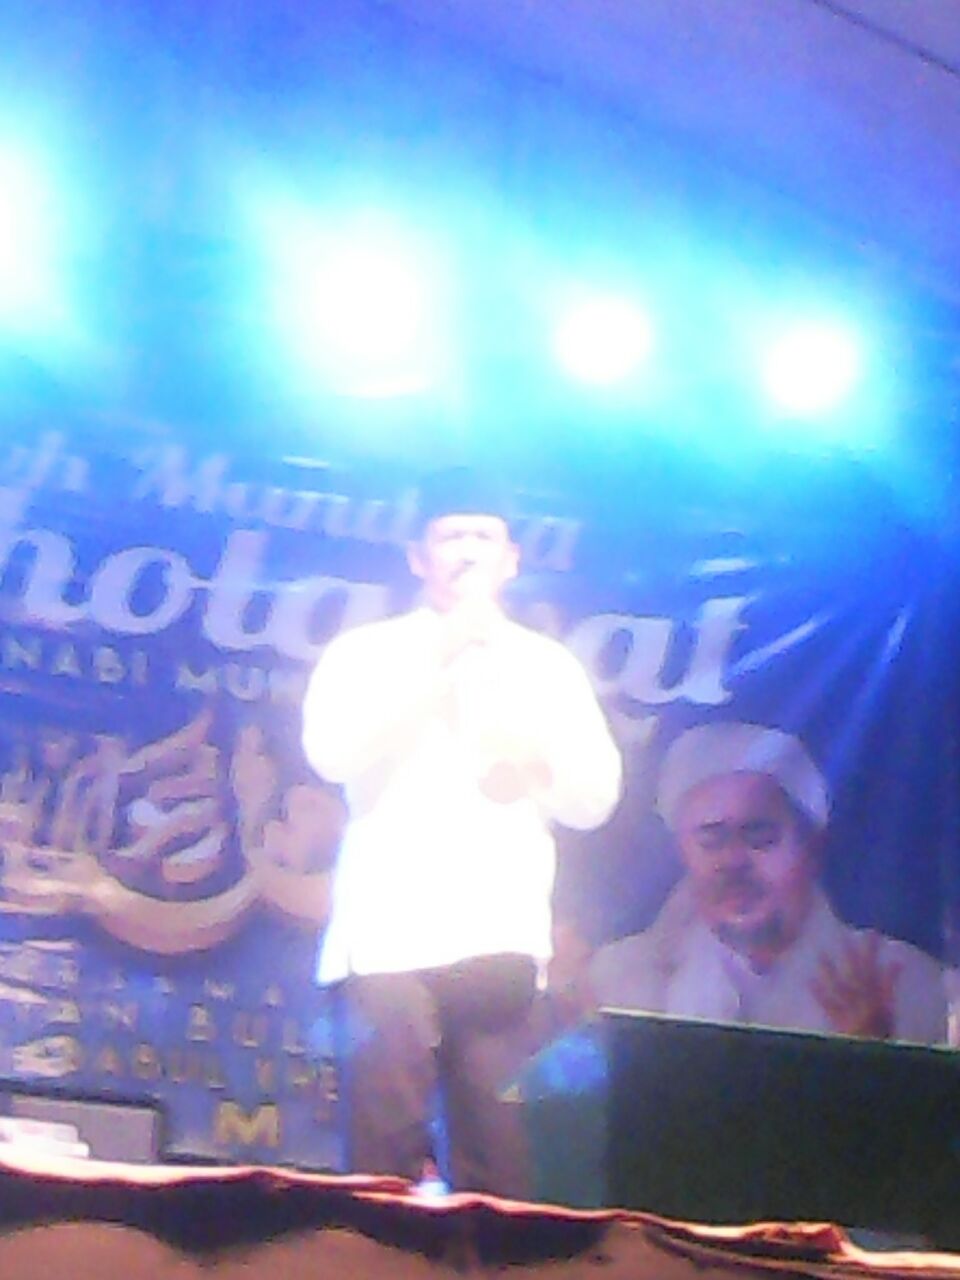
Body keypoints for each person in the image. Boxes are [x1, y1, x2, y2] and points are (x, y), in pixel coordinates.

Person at [301, 467, 622, 1196]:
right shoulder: (368, 652)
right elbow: (332, 754)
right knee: (383, 1157)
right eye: (451, 536)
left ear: (512, 559)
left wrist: (534, 760)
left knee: (503, 1164)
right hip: (388, 937)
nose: (468, 551)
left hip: (499, 938)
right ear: (419, 558)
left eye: (483, 536)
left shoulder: (546, 667)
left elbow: (595, 800)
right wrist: (442, 653)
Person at [592, 721, 946, 1043]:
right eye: (711, 841)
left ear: (811, 847)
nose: (733, 861)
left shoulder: (906, 981)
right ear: (681, 849)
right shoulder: (618, 977)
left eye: (759, 837)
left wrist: (873, 1055)